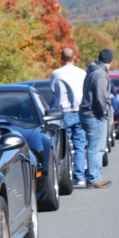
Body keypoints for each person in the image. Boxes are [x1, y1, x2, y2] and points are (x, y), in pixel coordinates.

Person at [49, 47, 88, 187]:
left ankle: (65, 176)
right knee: (79, 145)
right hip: (79, 111)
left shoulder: (56, 74)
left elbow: (53, 91)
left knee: (63, 147)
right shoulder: (81, 73)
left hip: (63, 112)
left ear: (61, 57)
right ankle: (80, 176)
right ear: (74, 57)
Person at [78, 48, 113, 189]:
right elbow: (100, 97)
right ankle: (94, 178)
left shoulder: (92, 71)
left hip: (86, 113)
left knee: (93, 146)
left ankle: (94, 176)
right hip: (94, 114)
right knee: (96, 148)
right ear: (110, 61)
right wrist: (104, 112)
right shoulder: (100, 74)